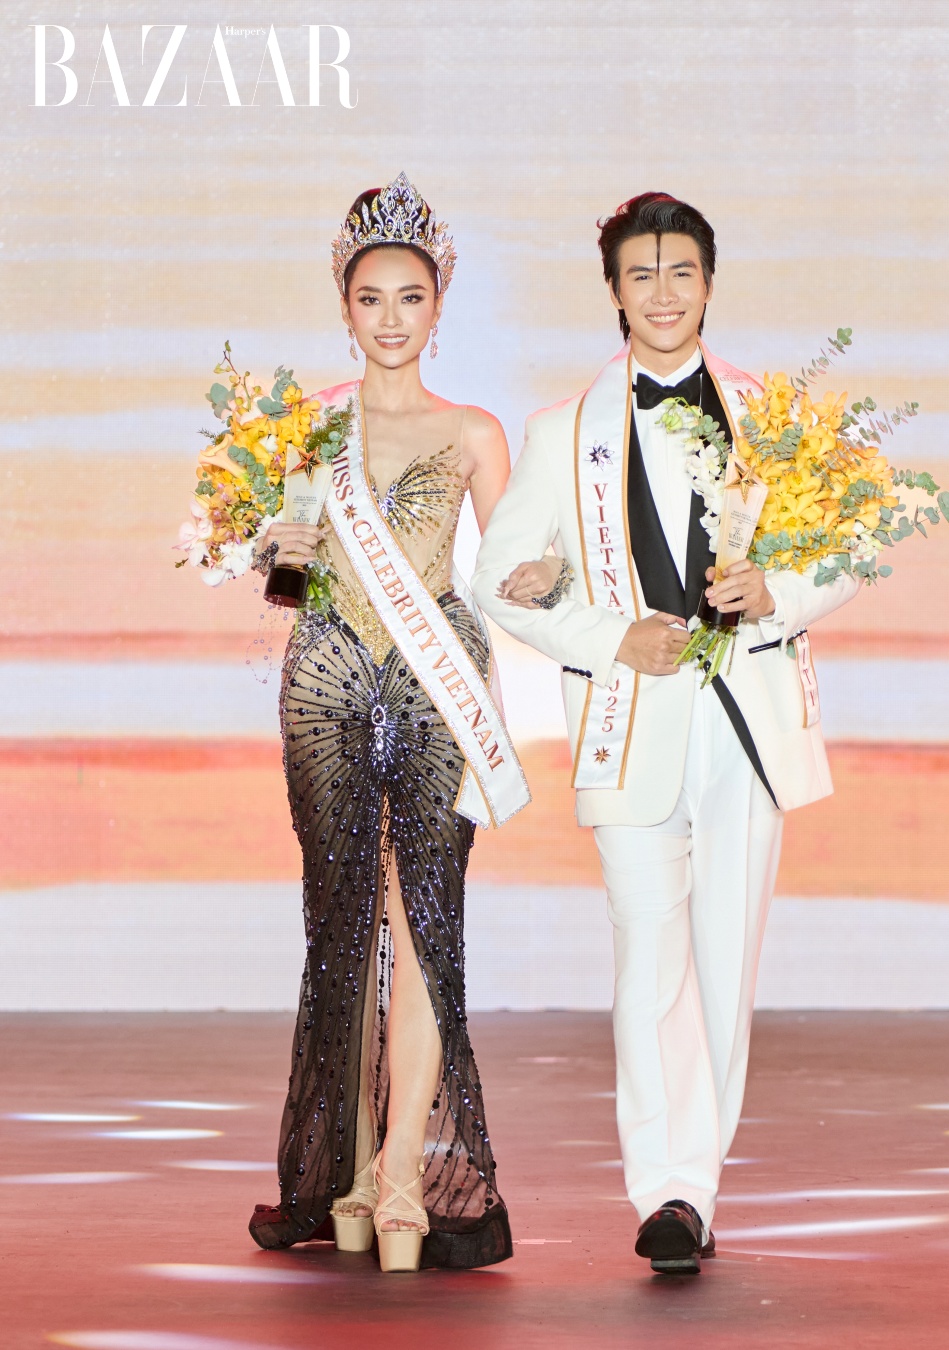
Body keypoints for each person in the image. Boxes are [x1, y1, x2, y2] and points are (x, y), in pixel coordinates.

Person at [472, 192, 860, 1274]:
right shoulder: (562, 434)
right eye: (641, 274)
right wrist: (609, 637)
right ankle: (666, 1191)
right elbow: (496, 579)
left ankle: (699, 1183)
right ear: (613, 290)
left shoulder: (773, 415)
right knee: (648, 957)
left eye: (680, 272)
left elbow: (854, 548)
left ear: (709, 283)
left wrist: (775, 593)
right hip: (628, 720)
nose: (662, 293)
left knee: (723, 961)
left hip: (745, 716)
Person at [248, 173, 539, 1272]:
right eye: (370, 298)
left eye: (410, 297)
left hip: (433, 684)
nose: (390, 317)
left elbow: (512, 573)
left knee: (423, 919)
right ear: (345, 306)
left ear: (438, 305)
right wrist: (269, 549)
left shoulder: (472, 432)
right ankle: (353, 1173)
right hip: (325, 677)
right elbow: (278, 562)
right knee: (341, 927)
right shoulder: (304, 429)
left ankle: (407, 1170)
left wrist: (551, 579)